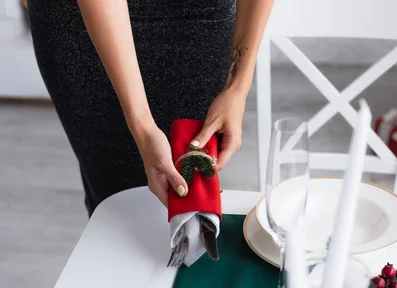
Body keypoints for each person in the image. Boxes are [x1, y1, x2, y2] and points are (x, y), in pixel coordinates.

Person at [28, 0, 274, 215]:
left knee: (188, 186)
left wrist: (237, 87)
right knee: (115, 197)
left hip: (201, 16)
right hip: (86, 20)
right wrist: (142, 126)